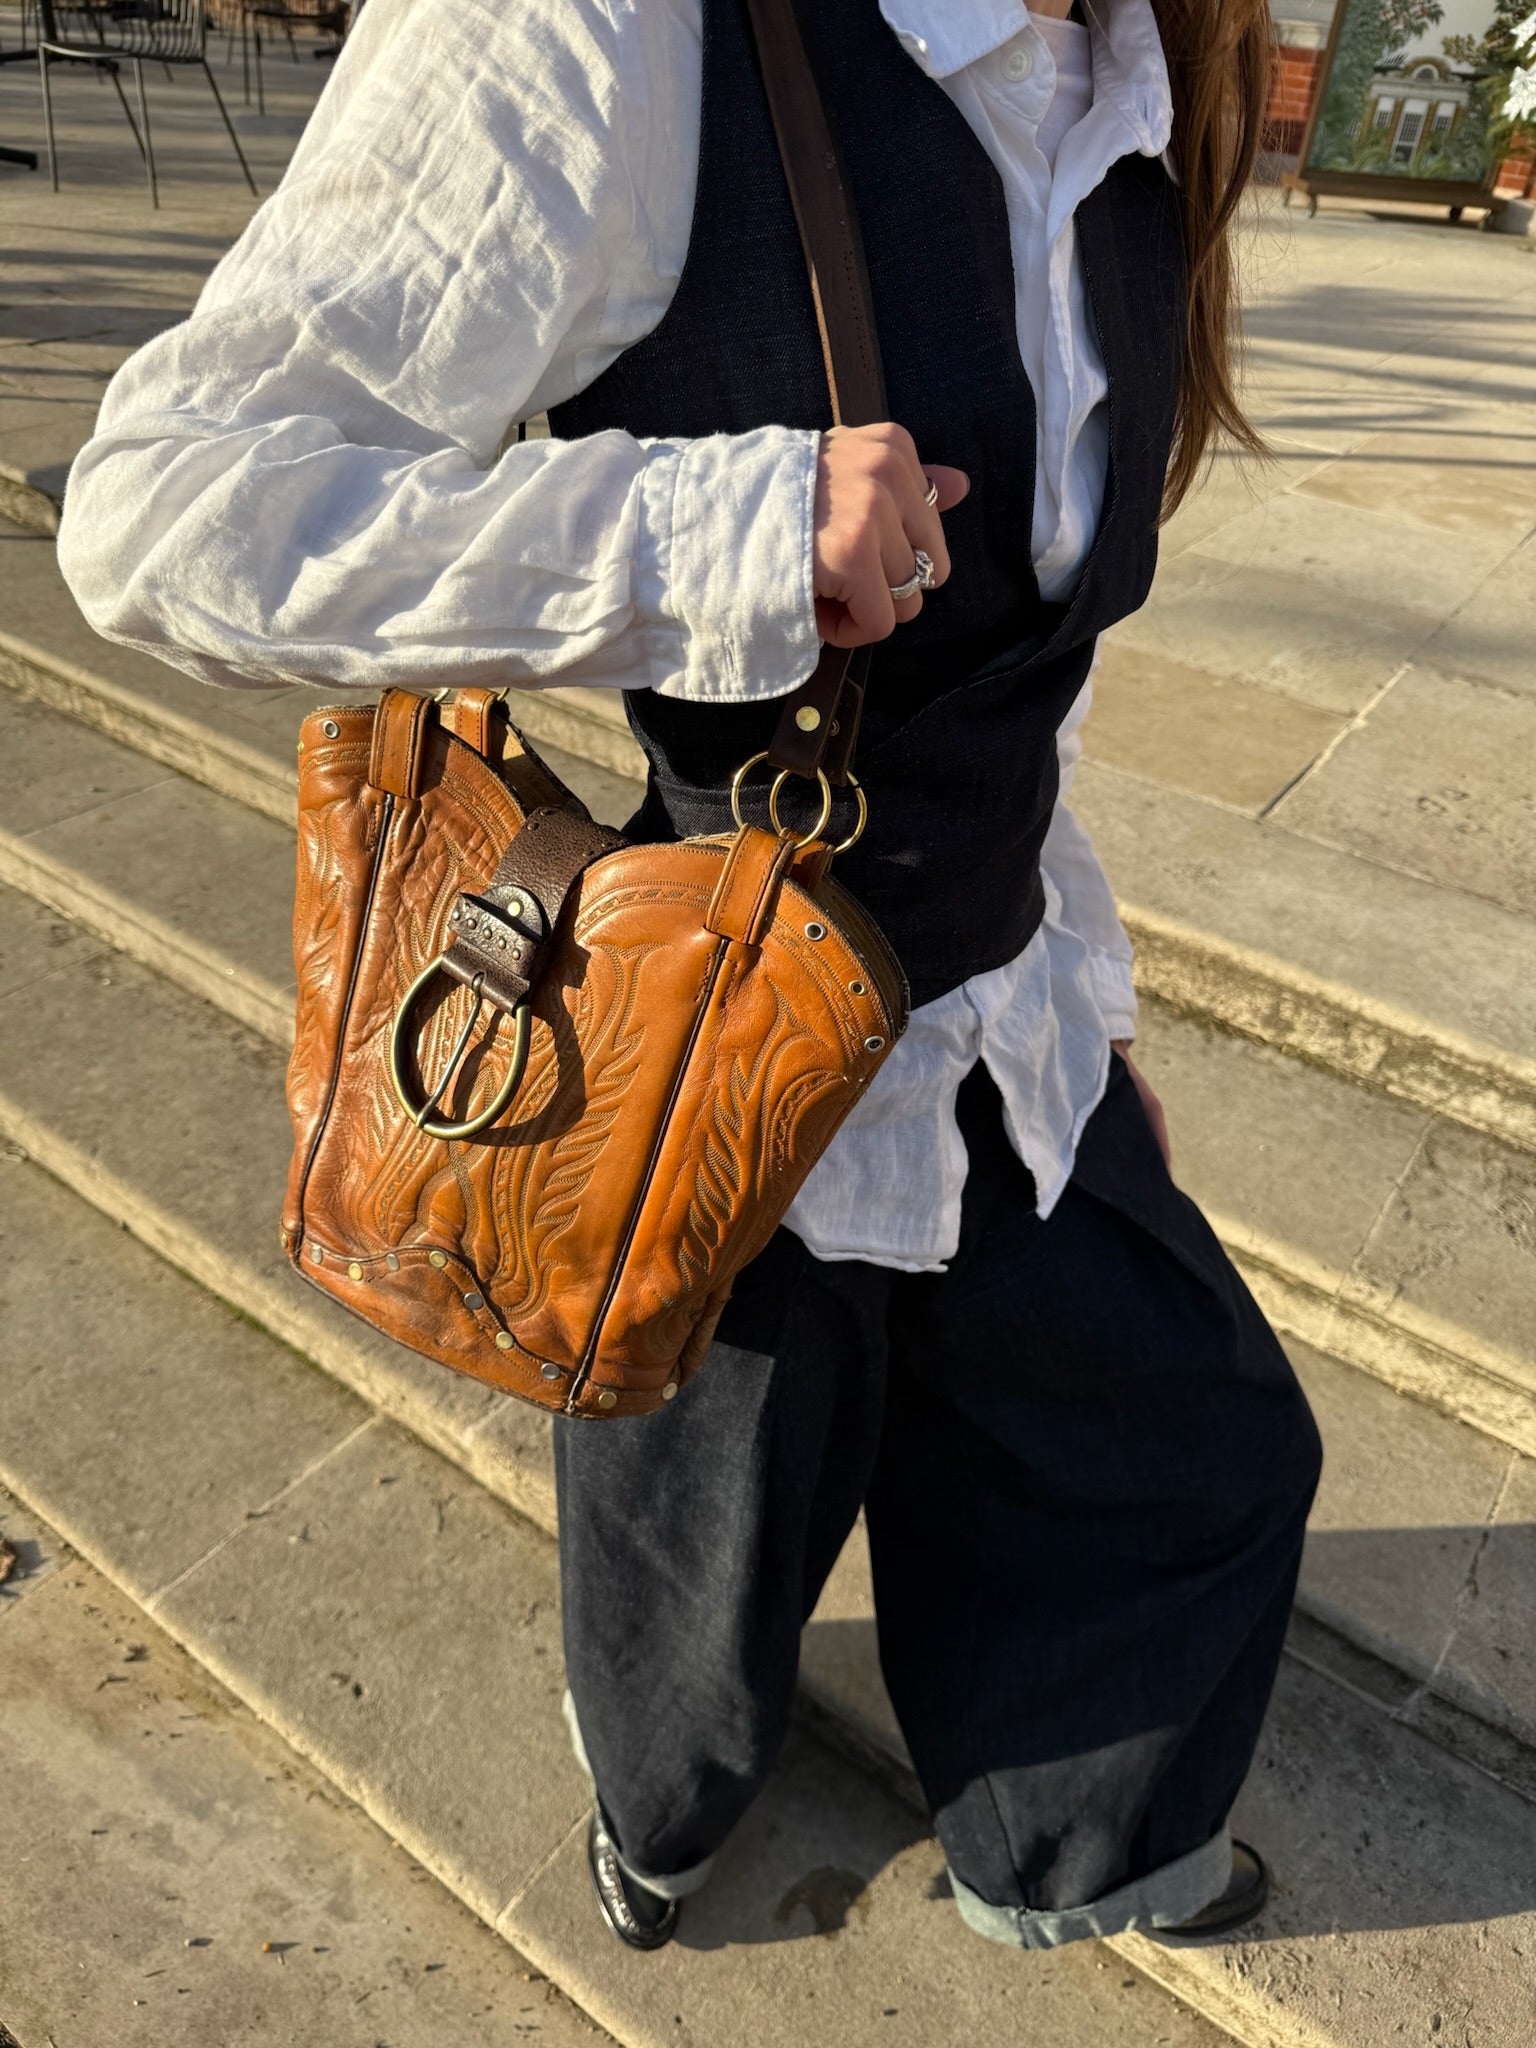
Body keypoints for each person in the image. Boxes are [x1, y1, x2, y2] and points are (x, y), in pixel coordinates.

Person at [57, 0, 1322, 1959]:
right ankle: (656, 1823)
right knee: (694, 1568)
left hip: (1002, 1011)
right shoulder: (619, 29)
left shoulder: (1152, 90)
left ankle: (1082, 1849)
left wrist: (1096, 995)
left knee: (1195, 1452)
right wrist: (708, 531)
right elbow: (164, 506)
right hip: (717, 1032)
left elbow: (1019, 688)